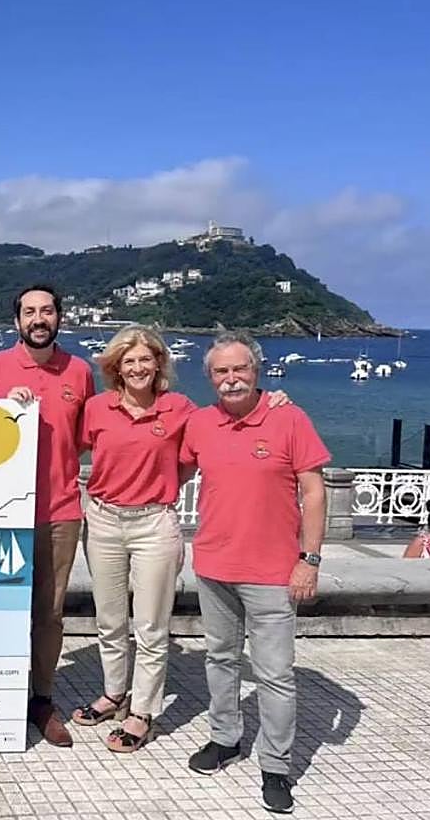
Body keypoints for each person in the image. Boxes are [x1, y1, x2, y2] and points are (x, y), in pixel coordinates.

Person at [73, 325, 291, 752]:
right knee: (109, 620)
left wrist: (274, 401)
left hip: (154, 523)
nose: (138, 368)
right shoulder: (97, 408)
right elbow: (66, 446)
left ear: (159, 364)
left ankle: (142, 712)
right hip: (102, 520)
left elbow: (227, 418)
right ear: (117, 367)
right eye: (129, 361)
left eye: (145, 359)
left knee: (151, 625)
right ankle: (114, 693)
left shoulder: (180, 409)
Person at [179, 330, 330, 815]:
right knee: (220, 659)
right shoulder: (200, 423)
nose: (231, 378)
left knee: (275, 675)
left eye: (239, 368)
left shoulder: (290, 418)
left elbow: (314, 493)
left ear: (257, 370)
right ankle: (225, 739)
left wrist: (309, 559)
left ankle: (276, 767)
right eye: (221, 371)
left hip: (272, 571)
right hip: (214, 564)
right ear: (210, 378)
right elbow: (171, 469)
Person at [0, 283, 95, 748]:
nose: (38, 319)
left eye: (46, 311)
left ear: (59, 317)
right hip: (0, 512)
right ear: (17, 321)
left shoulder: (80, 371)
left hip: (60, 510)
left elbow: (86, 438)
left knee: (49, 613)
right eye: (29, 312)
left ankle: (41, 698)